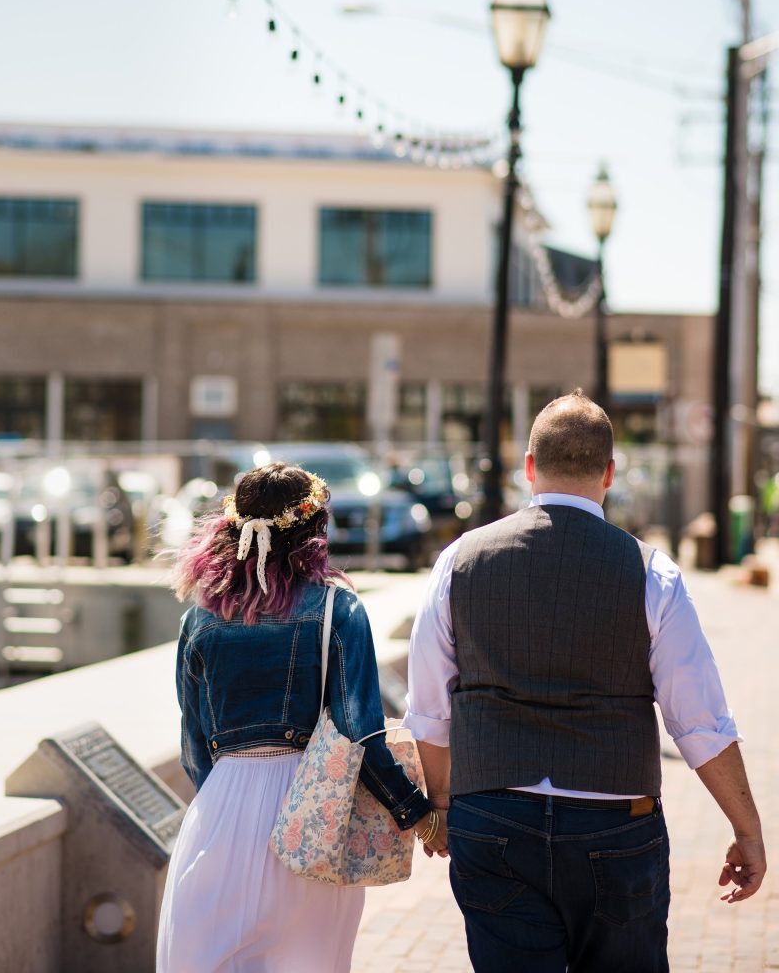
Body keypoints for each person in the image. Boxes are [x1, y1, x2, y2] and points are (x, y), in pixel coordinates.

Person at [404, 389, 766, 973]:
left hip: (495, 818)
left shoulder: (459, 561)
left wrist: (442, 803)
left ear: (529, 468)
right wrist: (745, 827)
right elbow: (698, 720)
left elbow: (428, 707)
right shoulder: (652, 573)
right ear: (609, 472)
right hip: (615, 823)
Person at [157, 461, 445, 973]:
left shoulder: (198, 617)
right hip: (312, 819)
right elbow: (362, 736)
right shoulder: (339, 609)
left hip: (220, 813)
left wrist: (229, 802)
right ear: (313, 532)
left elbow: (194, 743)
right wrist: (419, 817)